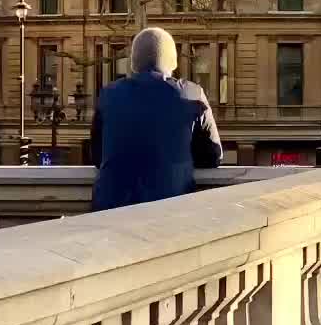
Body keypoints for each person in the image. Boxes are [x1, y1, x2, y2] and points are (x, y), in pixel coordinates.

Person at [90, 25, 223, 211]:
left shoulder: (108, 95)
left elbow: (97, 156)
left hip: (108, 211)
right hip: (168, 211)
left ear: (133, 63)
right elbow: (213, 156)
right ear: (173, 63)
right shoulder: (192, 94)